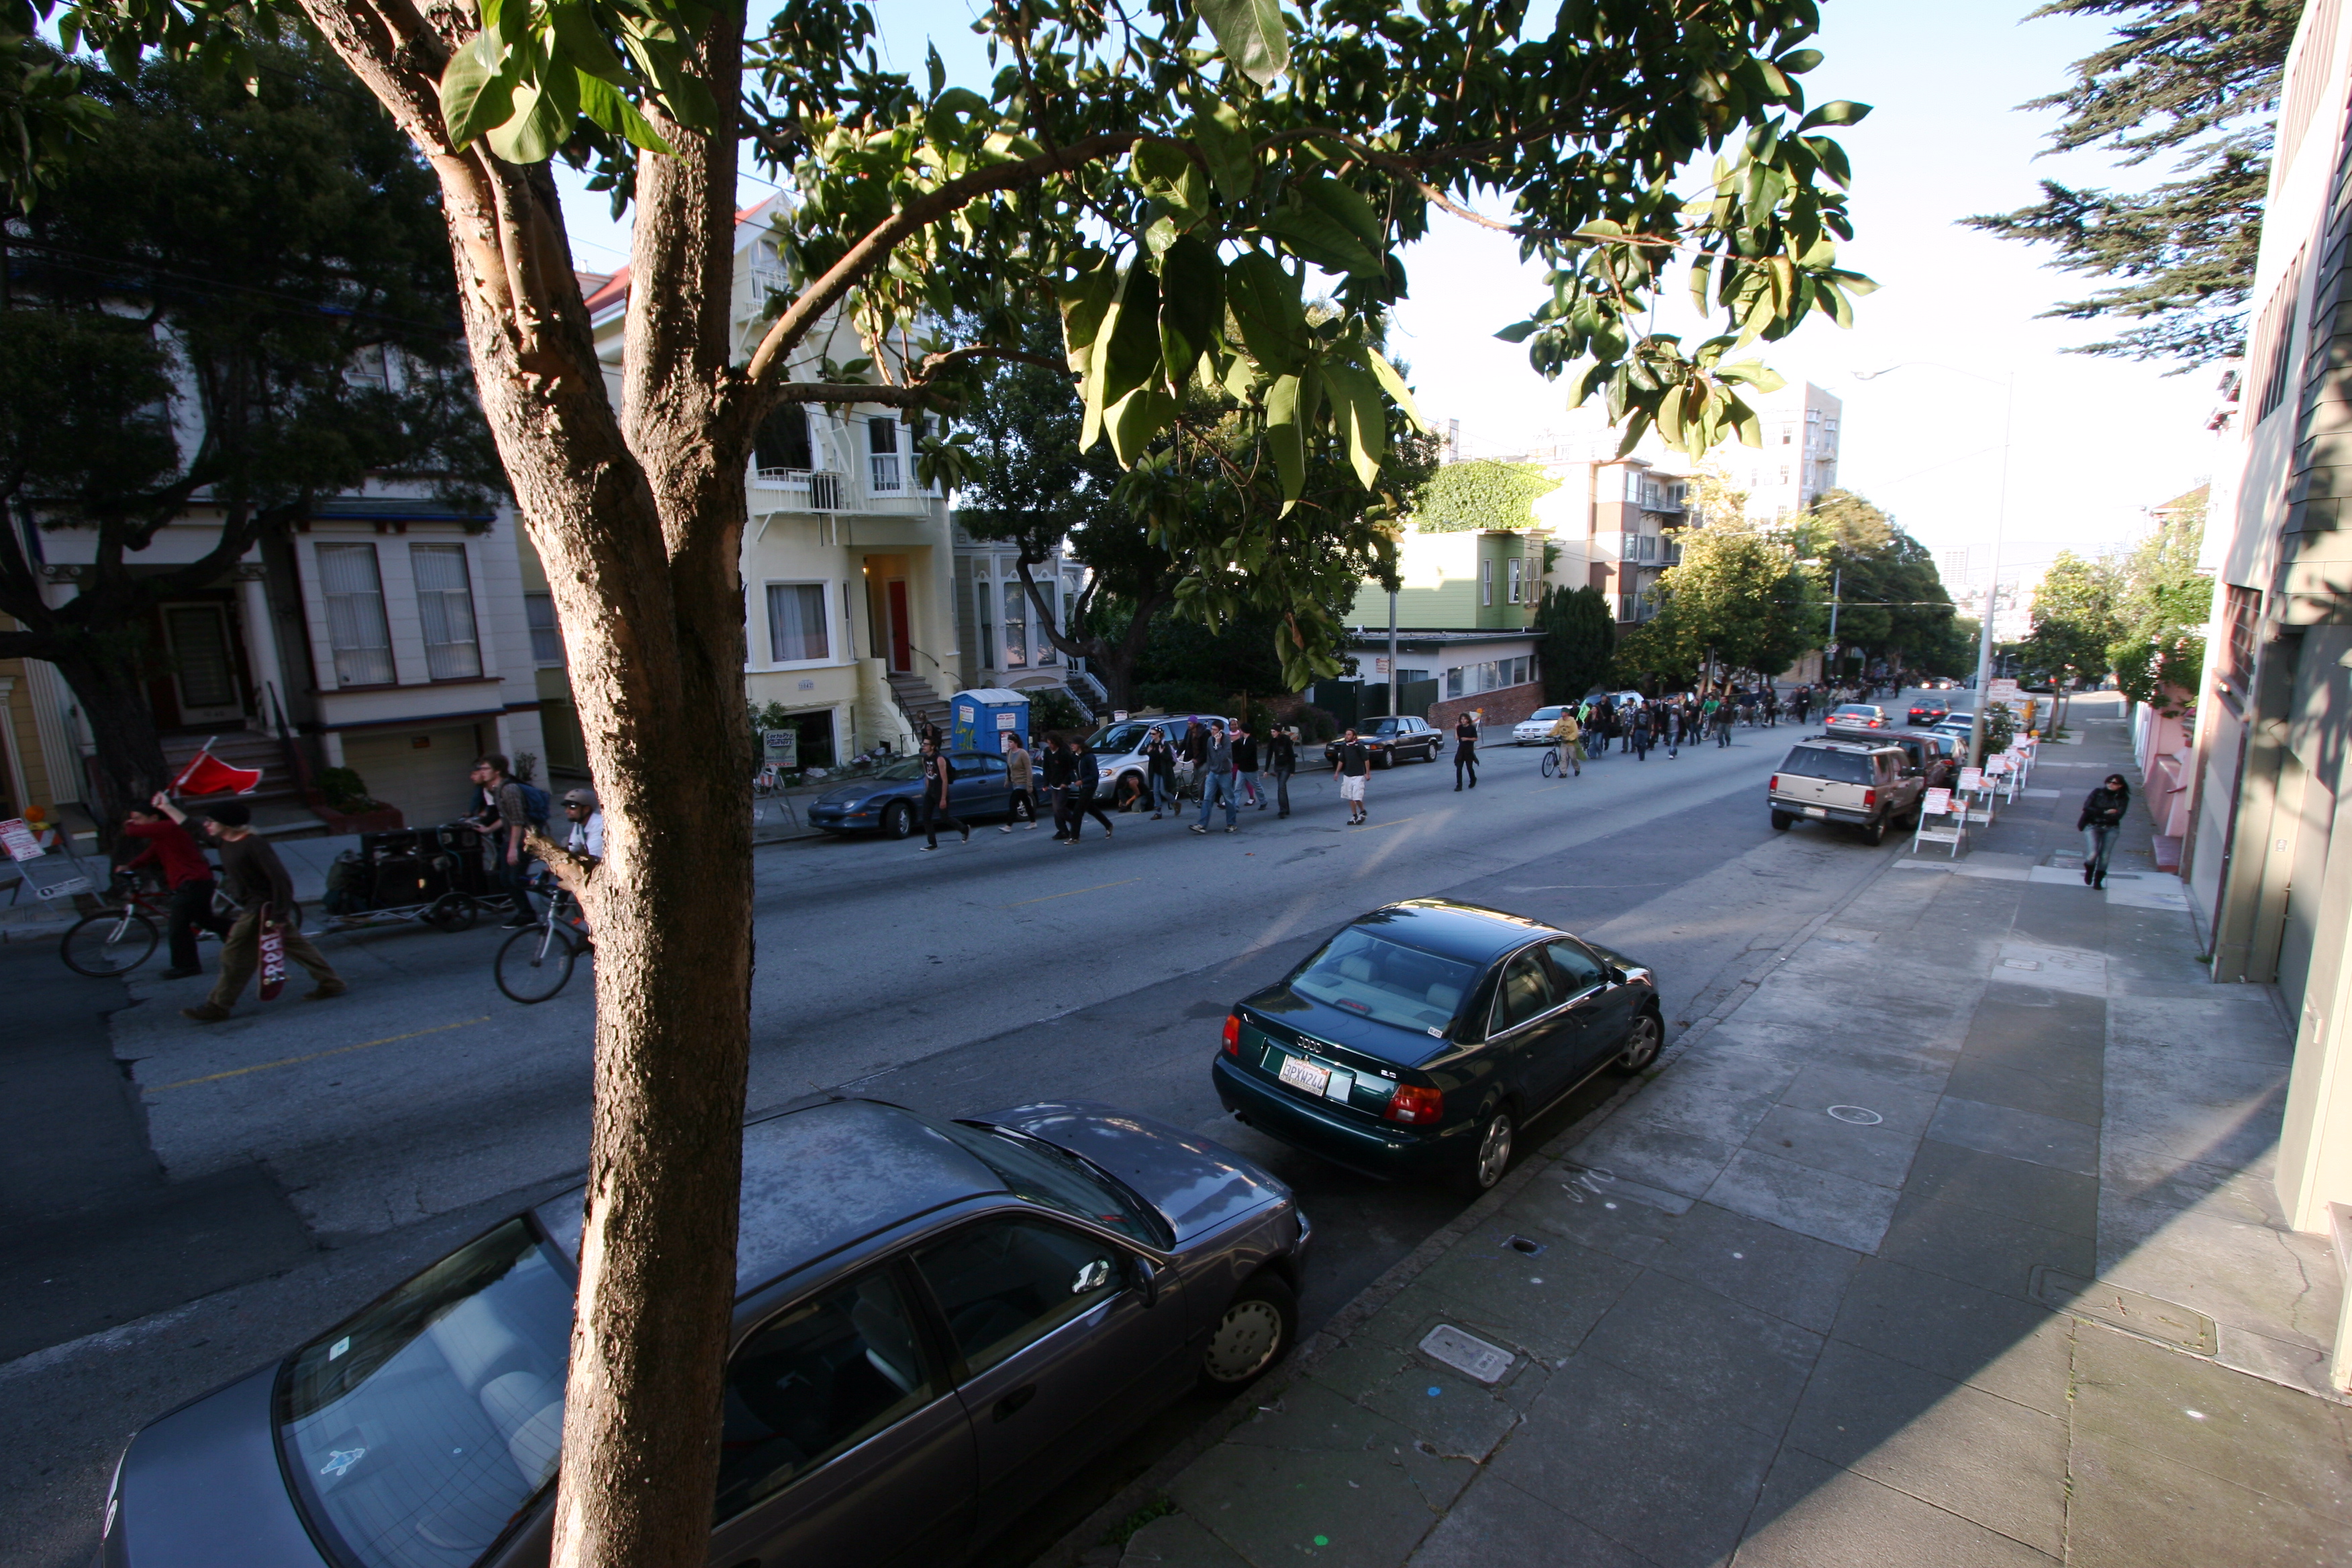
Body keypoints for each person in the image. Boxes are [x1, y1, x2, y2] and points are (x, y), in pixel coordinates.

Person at [168, 800, 344, 1021]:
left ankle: (218, 1006)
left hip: (260, 909)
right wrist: (166, 807)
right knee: (297, 947)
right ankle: (331, 982)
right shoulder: (224, 841)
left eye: (211, 821)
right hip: (256, 907)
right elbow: (192, 827)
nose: (206, 825)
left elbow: (280, 879)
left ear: (228, 823)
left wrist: (279, 914)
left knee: (234, 955)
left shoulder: (253, 844)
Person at [124, 796, 232, 979]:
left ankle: (187, 966)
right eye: (133, 819)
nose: (134, 822)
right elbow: (151, 854)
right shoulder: (162, 835)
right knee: (205, 921)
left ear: (154, 818)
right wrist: (130, 866)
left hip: (193, 881)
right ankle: (247, 933)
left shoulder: (168, 827)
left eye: (138, 818)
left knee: (178, 926)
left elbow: (131, 831)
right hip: (194, 882)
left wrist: (129, 825)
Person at [470, 754, 539, 929]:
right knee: (505, 879)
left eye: (486, 769)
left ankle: (545, 892)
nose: (482, 772)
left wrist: (513, 848)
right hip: (512, 839)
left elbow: (517, 820)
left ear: (498, 771)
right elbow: (505, 817)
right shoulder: (497, 790)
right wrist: (489, 830)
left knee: (515, 878)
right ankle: (524, 912)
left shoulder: (509, 790)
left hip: (524, 840)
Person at [916, 738, 969, 850]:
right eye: (923, 744)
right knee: (926, 817)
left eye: (926, 744)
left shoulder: (939, 759)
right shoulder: (925, 759)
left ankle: (964, 829)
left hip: (940, 792)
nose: (923, 746)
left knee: (944, 818)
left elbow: (945, 780)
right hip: (930, 792)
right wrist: (927, 790)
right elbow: (927, 776)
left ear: (933, 746)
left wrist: (943, 798)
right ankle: (932, 843)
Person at [2078, 773, 2130, 888]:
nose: (2111, 784)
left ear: (2121, 785)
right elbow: (2087, 807)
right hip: (2093, 826)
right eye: (2109, 781)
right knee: (2093, 854)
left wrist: (2097, 811)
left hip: (2112, 828)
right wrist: (2105, 812)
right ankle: (2089, 869)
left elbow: (2118, 815)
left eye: (2115, 783)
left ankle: (2098, 880)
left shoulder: (2123, 798)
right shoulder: (2097, 792)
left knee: (2105, 855)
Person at [1066, 734, 1116, 842]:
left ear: (1080, 745)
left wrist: (1082, 781)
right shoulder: (1077, 756)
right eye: (1071, 744)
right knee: (1091, 808)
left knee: (1078, 810)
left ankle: (1074, 837)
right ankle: (1108, 825)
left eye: (1074, 744)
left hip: (1090, 786)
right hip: (1083, 786)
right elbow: (1072, 768)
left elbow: (1094, 774)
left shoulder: (1089, 757)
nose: (1072, 746)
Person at [1191, 720, 1238, 834]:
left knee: (1229, 799)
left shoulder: (1226, 740)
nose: (1212, 732)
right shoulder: (1209, 740)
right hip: (1213, 773)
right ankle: (1202, 825)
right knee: (1207, 798)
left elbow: (1223, 757)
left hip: (1225, 773)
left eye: (1215, 730)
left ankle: (1231, 824)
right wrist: (1208, 772)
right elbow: (1209, 757)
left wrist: (1218, 744)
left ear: (1221, 731)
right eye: (1212, 729)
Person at [1334, 726, 1372, 824]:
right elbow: (1341, 760)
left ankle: (1363, 811)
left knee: (1357, 797)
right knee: (1350, 797)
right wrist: (1337, 772)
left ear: (1354, 736)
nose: (1347, 736)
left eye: (1349, 734)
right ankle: (1354, 815)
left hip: (1358, 775)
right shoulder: (1344, 746)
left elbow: (1366, 760)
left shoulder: (1359, 746)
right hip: (1348, 775)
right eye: (1346, 734)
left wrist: (1368, 773)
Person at [1000, 733, 1038, 832]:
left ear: (1016, 743)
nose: (1009, 744)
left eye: (1011, 742)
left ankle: (1008, 826)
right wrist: (1007, 780)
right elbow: (1009, 768)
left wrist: (1029, 785)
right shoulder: (1009, 752)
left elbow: (1029, 769)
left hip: (1023, 782)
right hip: (1015, 782)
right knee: (1026, 802)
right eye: (1008, 742)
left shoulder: (1023, 753)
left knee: (1013, 802)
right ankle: (1033, 822)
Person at [1042, 733, 1074, 840]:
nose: (1050, 745)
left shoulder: (1064, 753)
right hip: (1054, 783)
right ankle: (1063, 830)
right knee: (1056, 809)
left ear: (1056, 743)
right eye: (1048, 743)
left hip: (1063, 784)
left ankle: (1074, 821)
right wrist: (1046, 783)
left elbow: (1069, 769)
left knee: (1060, 807)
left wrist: (1065, 782)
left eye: (1051, 743)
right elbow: (1046, 768)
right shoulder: (1047, 752)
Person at [560, 786, 604, 861]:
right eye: (566, 807)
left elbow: (593, 857)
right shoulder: (579, 823)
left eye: (572, 807)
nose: (567, 811)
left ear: (587, 809)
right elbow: (573, 848)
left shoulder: (600, 825)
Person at [1144, 727, 1179, 819]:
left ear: (1159, 734)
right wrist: (1149, 752)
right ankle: (1158, 812)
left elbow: (1169, 758)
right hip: (1156, 771)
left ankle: (1175, 803)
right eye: (1151, 734)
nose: (1152, 736)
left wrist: (1162, 753)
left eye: (1153, 734)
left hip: (1164, 771)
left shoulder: (1164, 744)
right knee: (1155, 791)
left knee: (1163, 791)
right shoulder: (1151, 743)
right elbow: (1152, 757)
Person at [1233, 723, 1264, 810]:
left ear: (1243, 731)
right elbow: (1234, 745)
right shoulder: (1242, 740)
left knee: (1257, 787)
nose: (1240, 731)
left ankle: (1263, 801)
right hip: (1242, 769)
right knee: (1237, 788)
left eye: (1241, 730)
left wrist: (1234, 760)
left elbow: (1245, 756)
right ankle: (1235, 806)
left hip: (1251, 769)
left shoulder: (1251, 742)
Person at [1269, 726, 1297, 818]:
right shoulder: (1273, 741)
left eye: (1274, 731)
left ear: (1278, 732)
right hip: (1278, 767)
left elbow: (1291, 755)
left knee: (1281, 787)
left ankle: (1283, 810)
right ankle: (1286, 808)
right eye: (1271, 732)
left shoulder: (1286, 740)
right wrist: (1266, 770)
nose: (1272, 733)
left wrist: (1292, 770)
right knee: (1282, 788)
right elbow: (1269, 754)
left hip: (1286, 766)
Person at [1549, 705, 1582, 777]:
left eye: (1563, 712)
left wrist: (1569, 738)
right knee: (1563, 757)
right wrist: (1550, 734)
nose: (1562, 713)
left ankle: (1577, 768)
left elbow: (1575, 732)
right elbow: (1556, 729)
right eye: (1562, 712)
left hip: (1571, 742)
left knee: (1573, 758)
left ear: (1567, 713)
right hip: (1563, 742)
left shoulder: (1572, 721)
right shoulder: (1560, 720)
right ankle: (1563, 772)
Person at [1453, 712, 1479, 790]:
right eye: (1462, 719)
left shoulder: (1472, 728)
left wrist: (1467, 739)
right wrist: (1456, 729)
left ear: (1468, 720)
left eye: (1465, 719)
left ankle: (1473, 779)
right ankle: (1459, 785)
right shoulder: (1460, 728)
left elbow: (1476, 738)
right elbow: (1456, 738)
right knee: (1459, 768)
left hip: (1469, 749)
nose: (1463, 721)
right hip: (1461, 749)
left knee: (1469, 767)